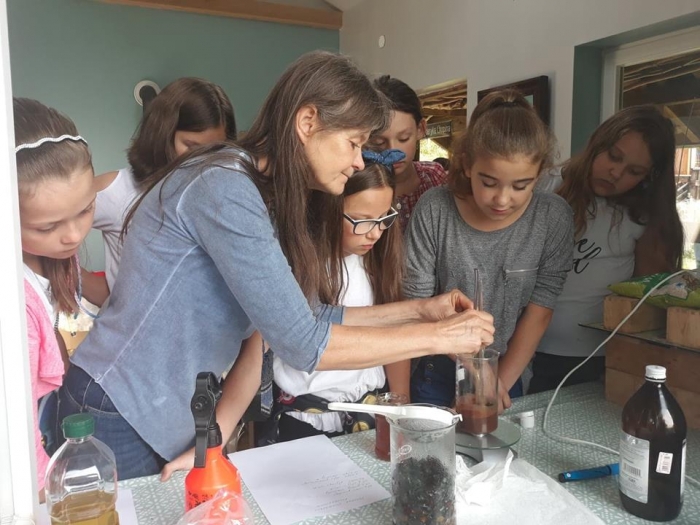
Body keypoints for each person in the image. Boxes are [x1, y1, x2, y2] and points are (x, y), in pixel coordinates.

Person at [54, 51, 494, 480]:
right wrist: (440, 336)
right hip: (116, 405)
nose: (359, 161)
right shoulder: (224, 185)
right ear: (308, 122)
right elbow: (303, 343)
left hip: (165, 410)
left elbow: (301, 317)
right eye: (353, 143)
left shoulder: (262, 195)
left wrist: (421, 311)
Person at [406, 90, 574, 411]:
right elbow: (418, 304)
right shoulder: (435, 209)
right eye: (489, 182)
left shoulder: (552, 217)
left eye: (521, 186)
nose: (502, 199)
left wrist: (496, 386)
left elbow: (541, 308)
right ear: (467, 165)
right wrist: (477, 371)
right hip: (437, 367)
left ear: (539, 174)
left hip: (509, 370)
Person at [530, 105, 684, 393]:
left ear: (649, 177)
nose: (616, 172)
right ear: (597, 143)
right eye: (614, 156)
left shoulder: (644, 216)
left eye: (634, 171)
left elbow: (646, 306)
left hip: (596, 360)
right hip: (521, 347)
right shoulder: (545, 185)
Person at [272, 149, 409, 441]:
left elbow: (396, 339)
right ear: (326, 209)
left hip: (371, 413)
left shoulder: (378, 262)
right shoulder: (295, 266)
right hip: (306, 417)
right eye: (361, 220)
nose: (375, 233)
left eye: (384, 218)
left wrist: (401, 408)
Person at [14, 98, 97, 496]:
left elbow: (71, 319)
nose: (73, 235)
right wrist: (43, 495)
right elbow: (16, 426)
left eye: (86, 210)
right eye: (47, 227)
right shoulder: (15, 304)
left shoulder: (57, 258)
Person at [92, 77, 236, 294]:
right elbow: (44, 219)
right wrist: (71, 279)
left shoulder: (224, 199)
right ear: (163, 136)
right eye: (191, 146)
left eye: (213, 151)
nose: (201, 160)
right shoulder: (119, 190)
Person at [370, 75, 447, 231]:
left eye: (404, 138)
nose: (392, 150)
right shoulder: (359, 184)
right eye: (379, 142)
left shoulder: (434, 177)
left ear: (421, 129)